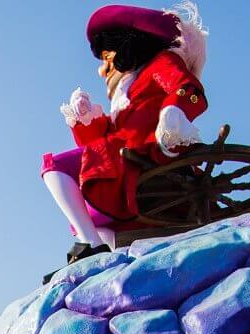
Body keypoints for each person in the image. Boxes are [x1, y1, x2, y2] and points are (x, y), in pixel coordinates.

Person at [42, 2, 209, 260]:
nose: (103, 68)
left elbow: (192, 92)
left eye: (107, 56)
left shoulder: (160, 64)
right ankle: (103, 257)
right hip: (125, 157)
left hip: (146, 153)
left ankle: (90, 244)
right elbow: (106, 137)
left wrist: (175, 111)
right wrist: (88, 119)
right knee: (95, 221)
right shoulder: (128, 90)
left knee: (55, 167)